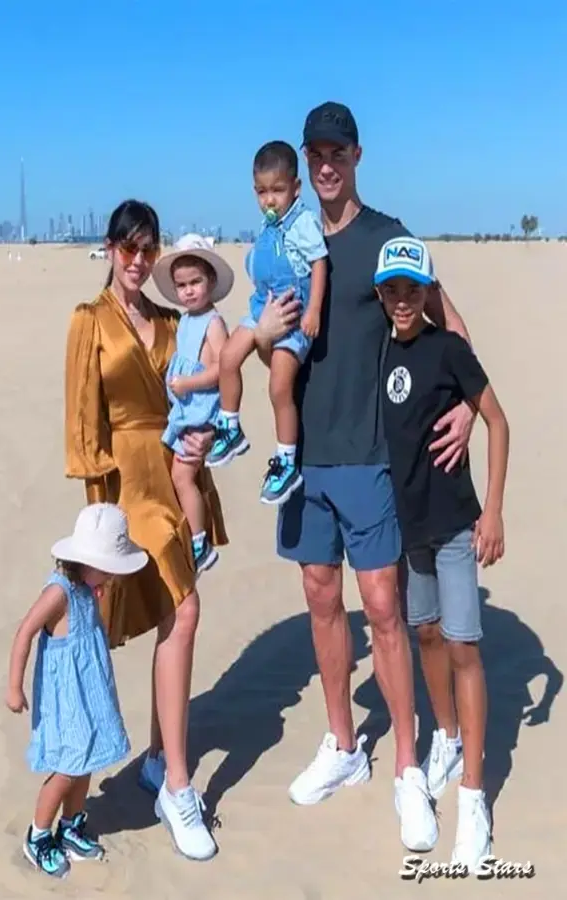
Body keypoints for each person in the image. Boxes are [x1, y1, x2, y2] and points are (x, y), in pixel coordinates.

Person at [251, 102, 477, 852]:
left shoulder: (387, 236)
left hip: (371, 454)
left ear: (356, 156)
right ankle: (344, 745)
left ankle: (408, 766)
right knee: (322, 596)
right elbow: (270, 342)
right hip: (304, 457)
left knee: (382, 606)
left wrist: (468, 411)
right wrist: (261, 339)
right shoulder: (287, 238)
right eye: (314, 153)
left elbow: (451, 328)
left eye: (336, 152)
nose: (324, 165)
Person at [64, 199, 228, 862]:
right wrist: (97, 521)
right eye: (126, 248)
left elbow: (201, 392)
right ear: (109, 250)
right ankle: (178, 787)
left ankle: (163, 760)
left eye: (146, 248)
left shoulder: (173, 318)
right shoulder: (89, 321)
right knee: (184, 613)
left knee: (175, 615)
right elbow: (83, 425)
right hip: (126, 490)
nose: (136, 260)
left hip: (176, 474)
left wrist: (207, 451)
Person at [376, 236, 509, 871]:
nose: (402, 301)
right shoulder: (379, 352)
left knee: (464, 646)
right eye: (391, 290)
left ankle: (475, 798)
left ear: (429, 292)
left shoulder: (449, 350)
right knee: (424, 632)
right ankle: (447, 737)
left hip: (457, 524)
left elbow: (498, 422)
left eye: (413, 289)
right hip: (410, 533)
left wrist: (494, 511)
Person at [6, 503, 148, 879]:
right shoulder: (59, 593)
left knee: (87, 760)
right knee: (68, 767)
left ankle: (70, 826)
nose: (113, 578)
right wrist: (14, 687)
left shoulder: (89, 587)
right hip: (65, 696)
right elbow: (25, 632)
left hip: (90, 689)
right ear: (87, 561)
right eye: (110, 569)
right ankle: (38, 835)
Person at [207, 140, 328, 506]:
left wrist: (313, 311)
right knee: (227, 358)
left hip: (293, 312)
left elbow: (319, 264)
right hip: (261, 307)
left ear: (295, 188)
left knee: (279, 385)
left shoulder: (303, 222)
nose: (269, 200)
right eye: (262, 192)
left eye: (277, 190)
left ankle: (286, 460)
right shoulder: (267, 226)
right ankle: (230, 426)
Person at [151, 233, 232, 576]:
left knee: (182, 476)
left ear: (210, 282)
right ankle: (196, 535)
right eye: (182, 285)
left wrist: (187, 383)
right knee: (178, 477)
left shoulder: (213, 324)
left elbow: (222, 369)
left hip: (201, 413)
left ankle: (200, 540)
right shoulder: (185, 321)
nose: (188, 291)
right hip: (184, 413)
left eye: (195, 282)